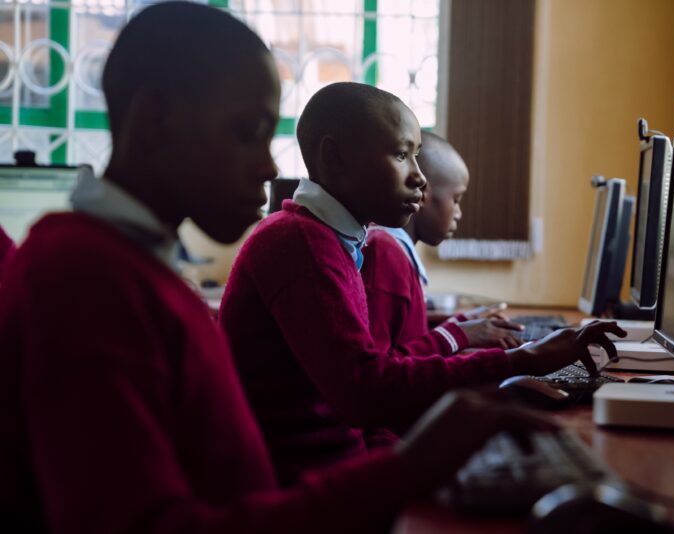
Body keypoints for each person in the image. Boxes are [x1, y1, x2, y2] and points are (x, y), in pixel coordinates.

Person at [0, 3, 559, 532]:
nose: (269, 165)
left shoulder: (130, 267)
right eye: (247, 132)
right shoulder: (84, 282)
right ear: (155, 119)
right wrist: (411, 466)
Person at [219, 81, 625, 486]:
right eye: (401, 156)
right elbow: (367, 392)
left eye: (416, 157)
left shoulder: (332, 241)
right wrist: (521, 360)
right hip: (305, 484)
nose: (420, 179)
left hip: (333, 465)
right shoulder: (301, 244)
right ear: (334, 158)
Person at [361, 131, 524, 354]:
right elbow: (379, 367)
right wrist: (462, 335)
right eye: (455, 199)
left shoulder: (394, 248)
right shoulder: (384, 253)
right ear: (422, 193)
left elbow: (407, 335)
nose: (458, 213)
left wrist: (461, 323)